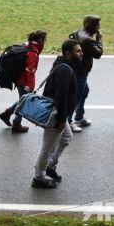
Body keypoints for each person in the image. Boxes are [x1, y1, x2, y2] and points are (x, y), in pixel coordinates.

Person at [31, 39, 82, 189]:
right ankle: (38, 178)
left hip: (61, 113)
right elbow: (61, 96)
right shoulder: (64, 70)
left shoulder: (65, 65)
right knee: (47, 148)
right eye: (78, 51)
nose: (81, 53)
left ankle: (50, 166)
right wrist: (61, 118)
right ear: (67, 53)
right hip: (56, 114)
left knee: (67, 137)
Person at [0, 30, 47, 134]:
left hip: (18, 78)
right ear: (40, 40)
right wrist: (30, 86)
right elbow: (30, 71)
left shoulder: (27, 45)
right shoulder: (33, 53)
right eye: (44, 40)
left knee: (23, 100)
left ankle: (8, 114)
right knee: (24, 102)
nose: (45, 42)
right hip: (23, 81)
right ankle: (16, 124)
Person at [69, 16, 103, 132]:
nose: (99, 27)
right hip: (80, 72)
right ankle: (68, 122)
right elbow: (98, 54)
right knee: (76, 96)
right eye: (97, 24)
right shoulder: (87, 39)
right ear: (91, 25)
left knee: (84, 92)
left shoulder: (79, 32)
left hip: (78, 69)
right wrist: (99, 39)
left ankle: (79, 117)